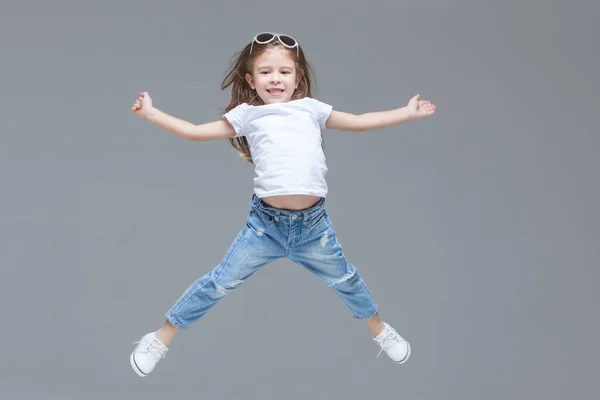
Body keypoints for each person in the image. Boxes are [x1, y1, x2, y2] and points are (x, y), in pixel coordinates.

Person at [129, 32, 436, 377]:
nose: (275, 79)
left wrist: (406, 112)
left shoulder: (311, 109)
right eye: (265, 72)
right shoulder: (248, 115)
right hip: (265, 227)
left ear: (298, 78)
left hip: (313, 227)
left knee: (347, 279)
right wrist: (152, 114)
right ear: (251, 79)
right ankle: (160, 337)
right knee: (219, 282)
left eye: (284, 72)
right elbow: (195, 132)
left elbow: (361, 122)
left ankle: (379, 330)